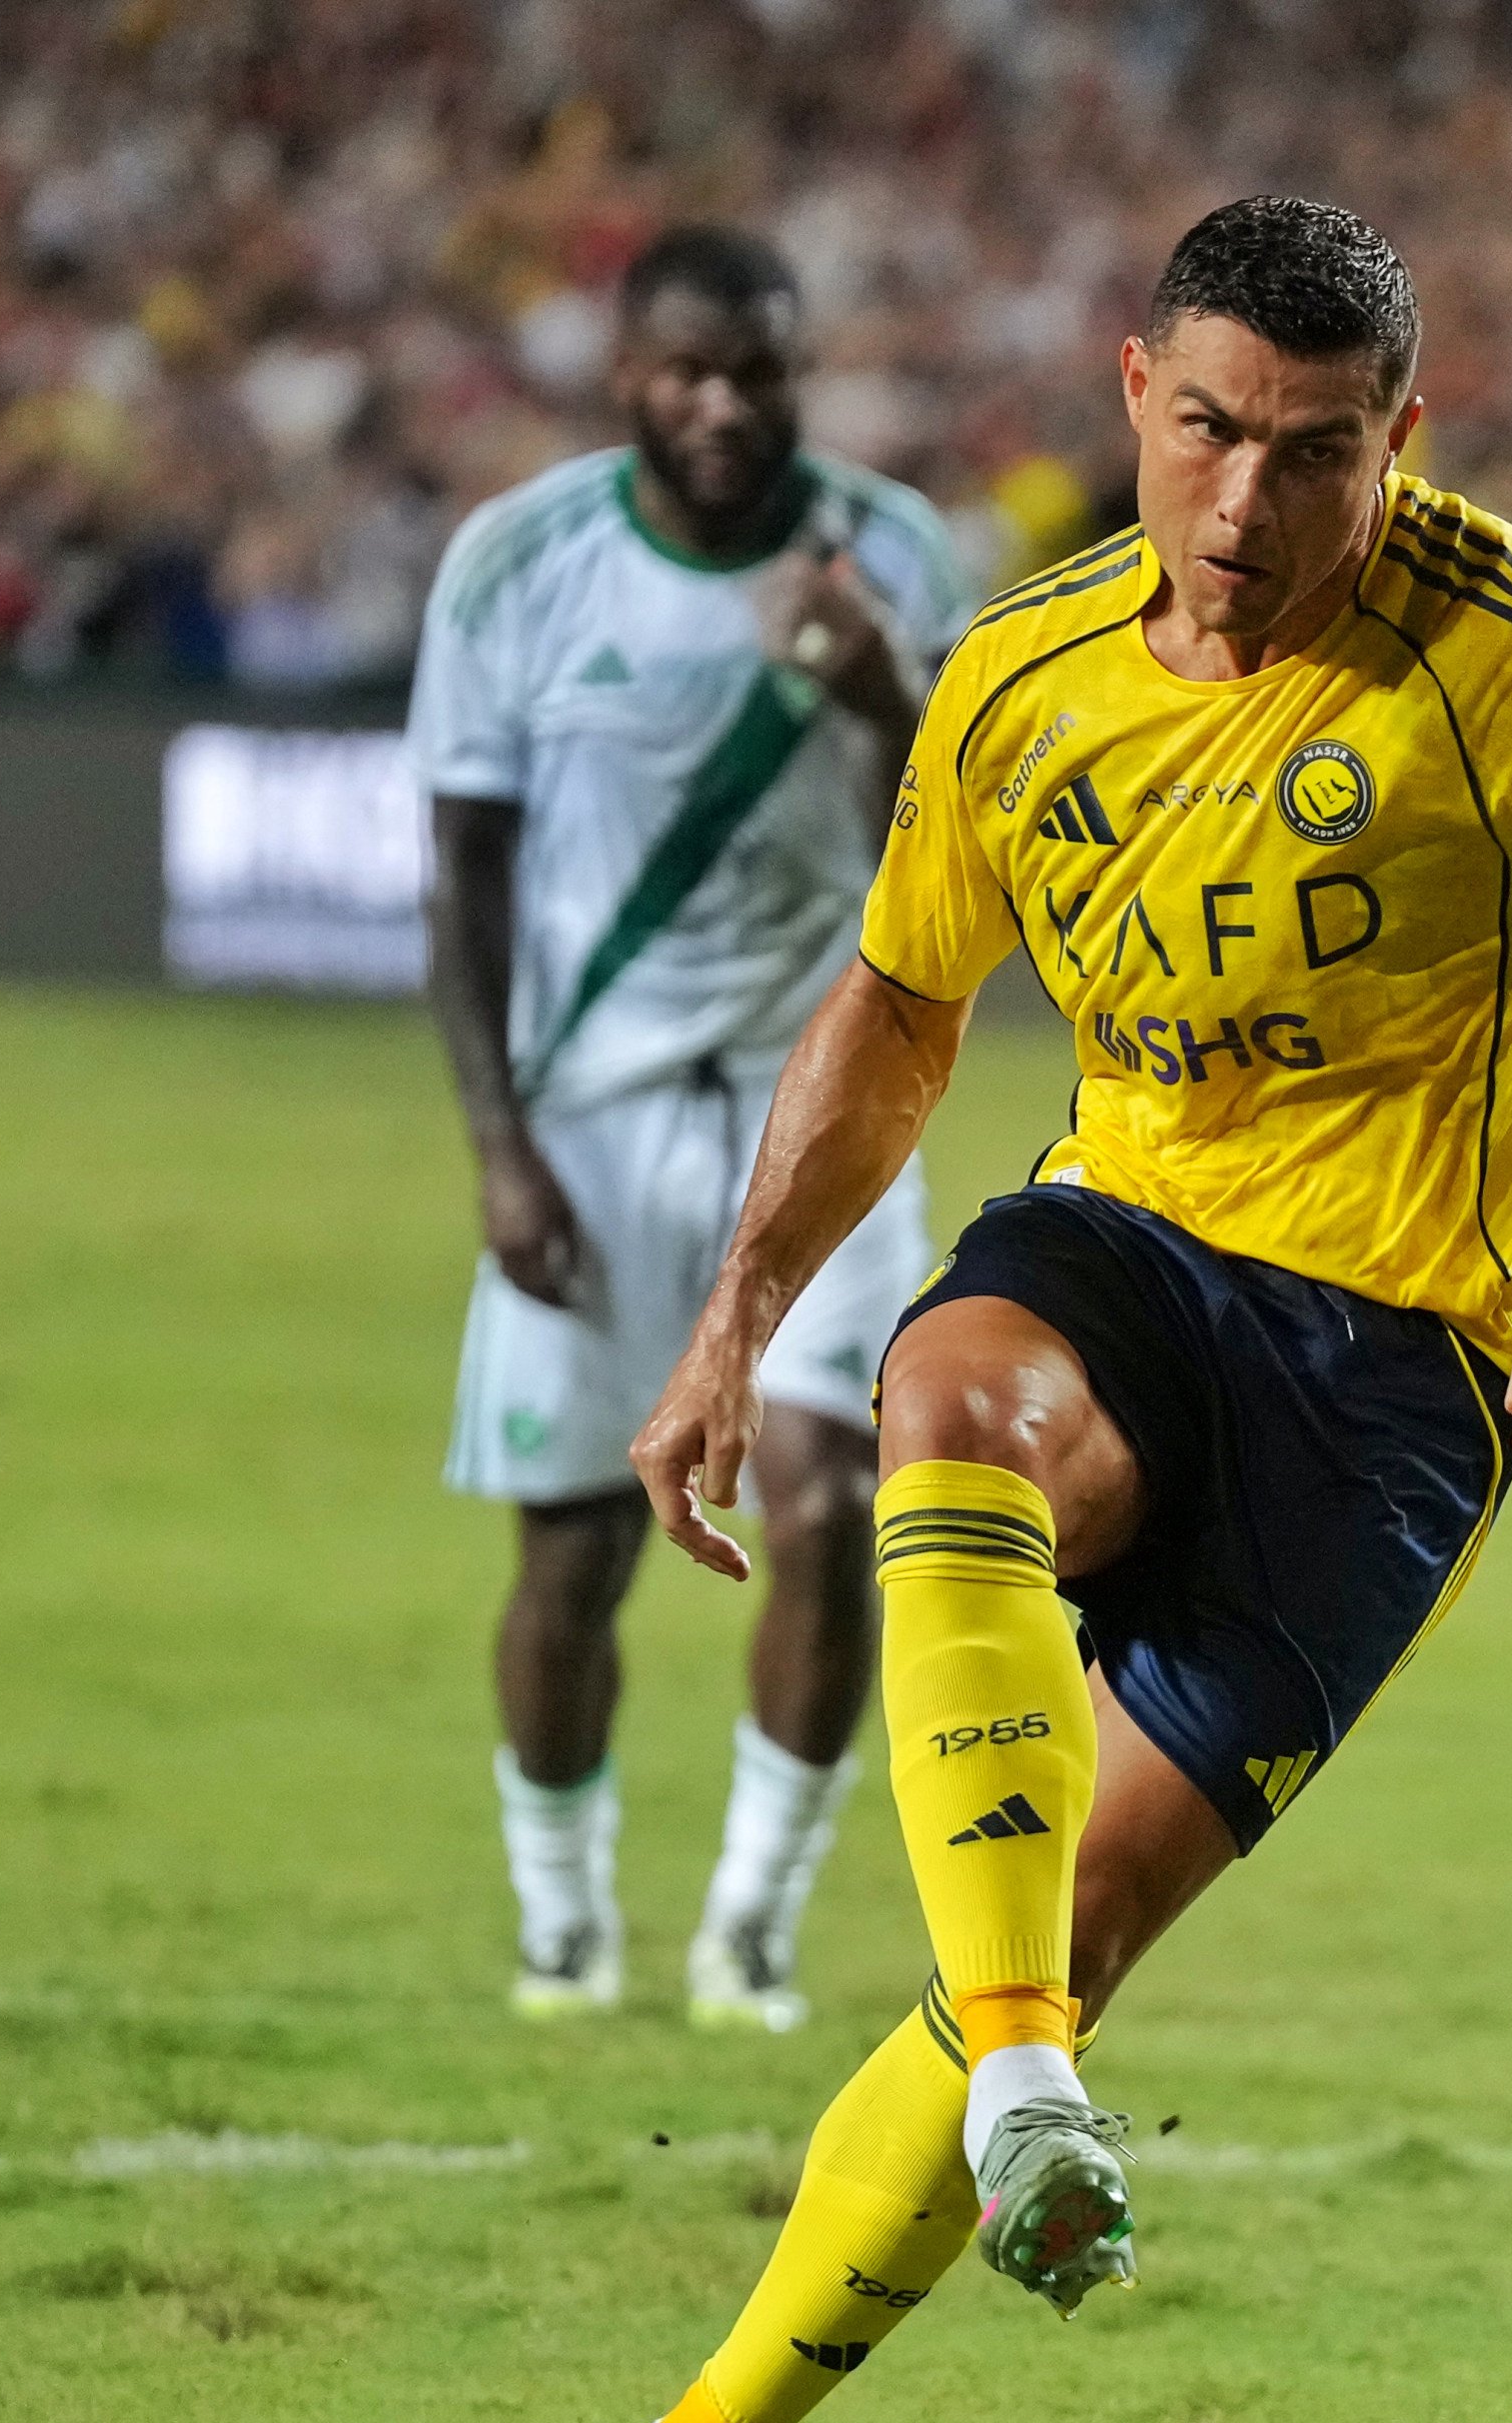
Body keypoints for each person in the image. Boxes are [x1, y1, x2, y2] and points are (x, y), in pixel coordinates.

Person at [409, 196, 1512, 2423]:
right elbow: (900, 1010)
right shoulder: (1022, 677)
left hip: (1395, 1377)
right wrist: (732, 1317)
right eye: (1206, 431)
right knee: (945, 1396)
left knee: (1066, 1932)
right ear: (1131, 394)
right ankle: (1022, 2095)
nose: (1245, 501)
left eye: (1315, 454)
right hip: (1131, 1244)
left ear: (1400, 440)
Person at [412, 225, 973, 2033]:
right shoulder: (520, 565)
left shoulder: (896, 554)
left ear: (802, 373)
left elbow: (958, 862)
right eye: (687, 370)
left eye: (757, 371)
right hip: (589, 1114)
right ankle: (562, 1916)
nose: (722, 404)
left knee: (834, 1505)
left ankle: (752, 1920)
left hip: (825, 1109)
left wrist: (884, 692)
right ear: (627, 375)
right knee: (573, 1546)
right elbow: (461, 873)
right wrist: (498, 1146)